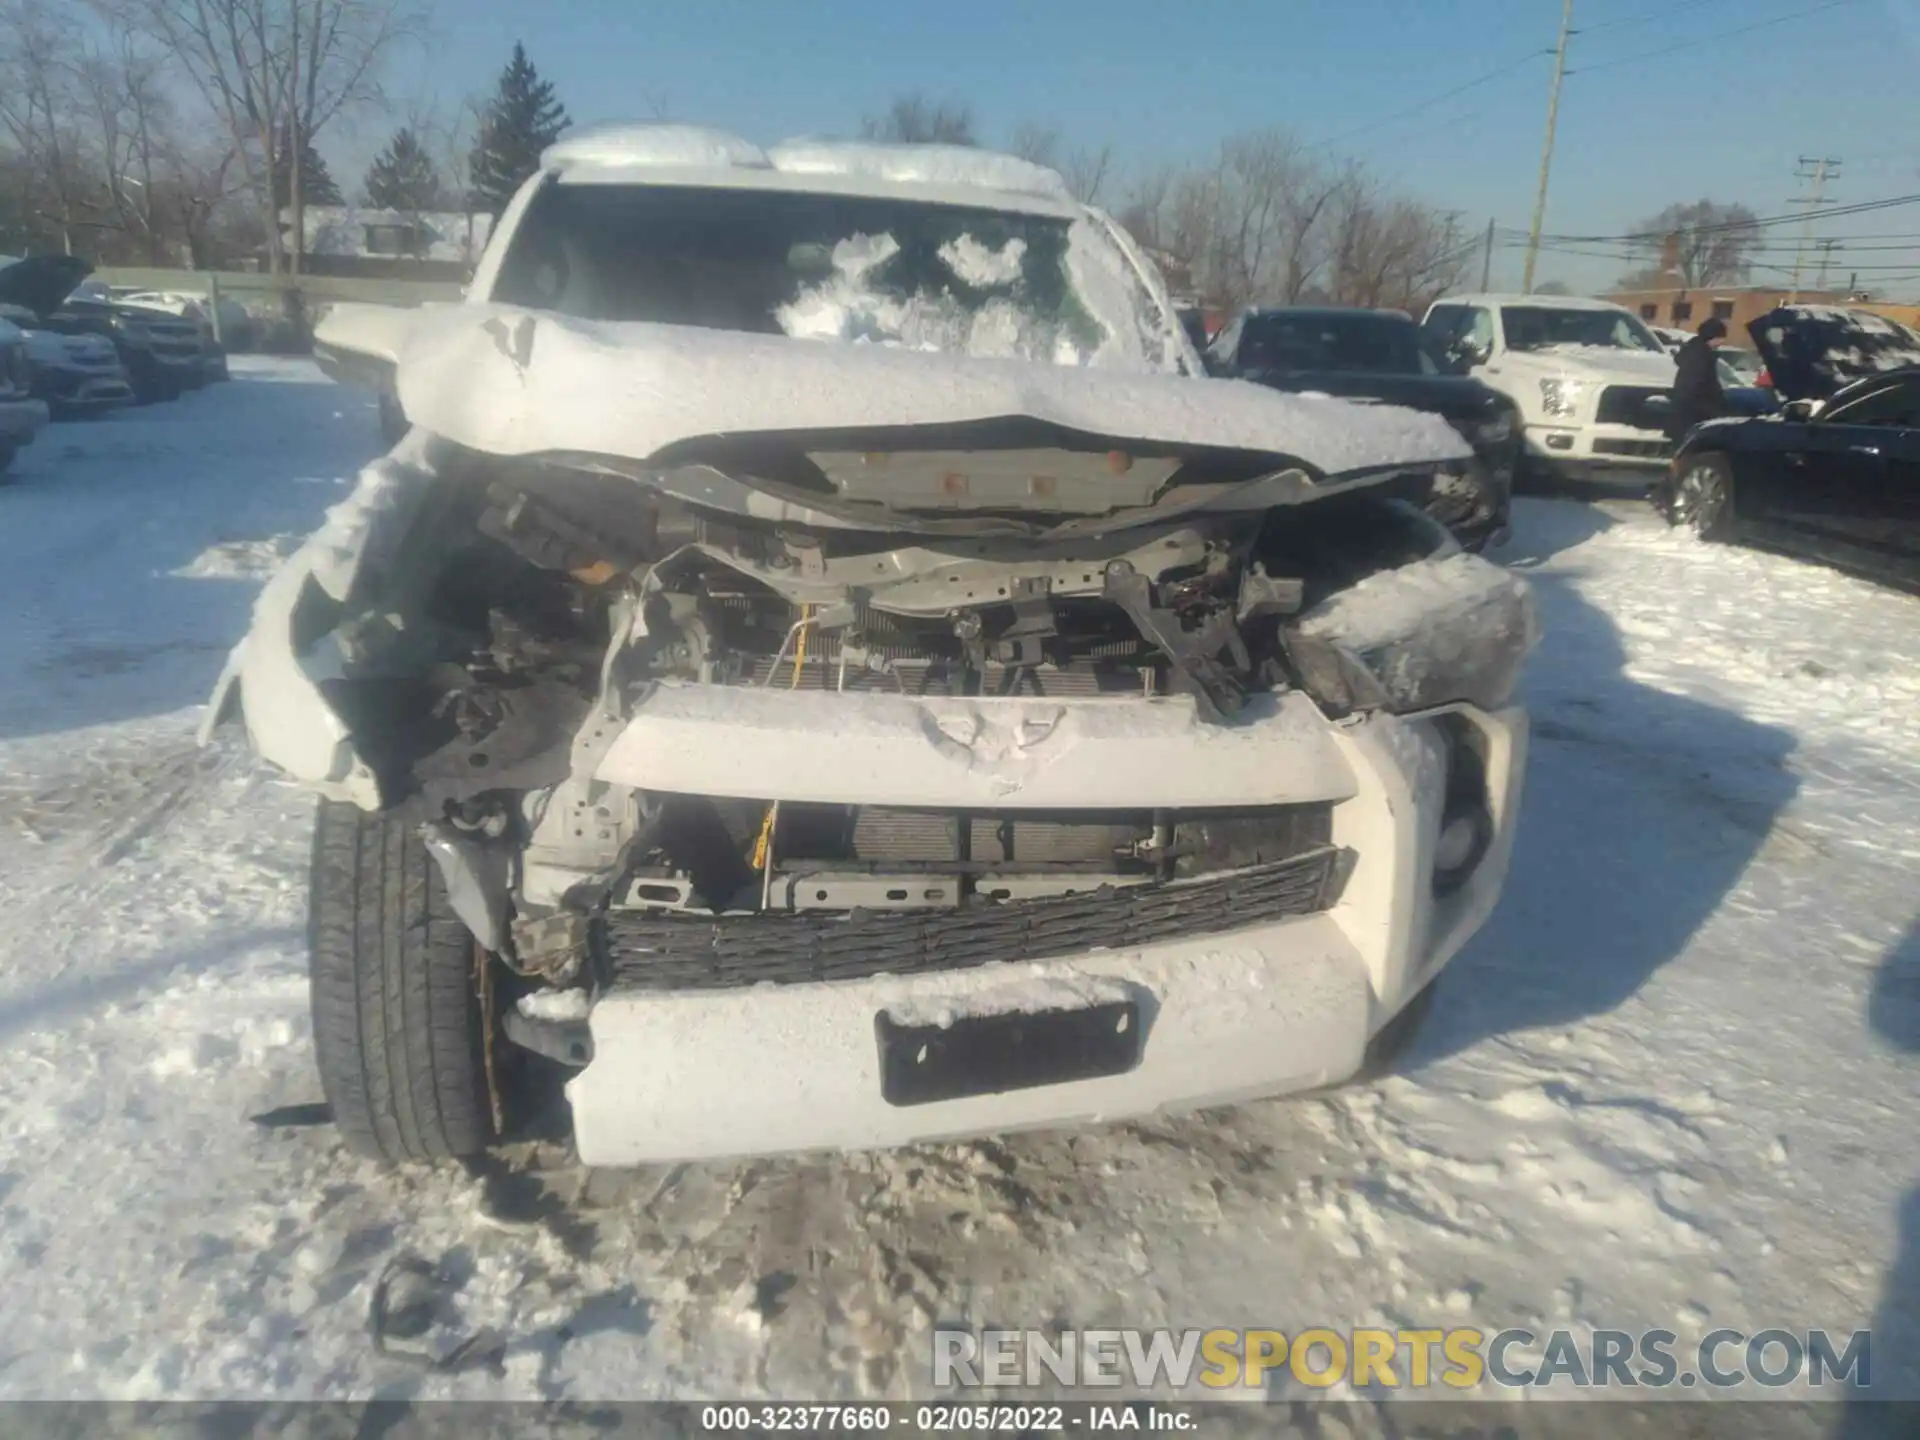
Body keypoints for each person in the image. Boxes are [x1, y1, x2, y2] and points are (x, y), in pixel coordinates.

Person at [1668, 316, 1729, 440]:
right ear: (1712, 336)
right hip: (1696, 414)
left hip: (1684, 413)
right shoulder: (1701, 357)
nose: (1721, 342)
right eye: (1720, 337)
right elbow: (1702, 385)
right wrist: (1717, 406)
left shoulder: (1694, 352)